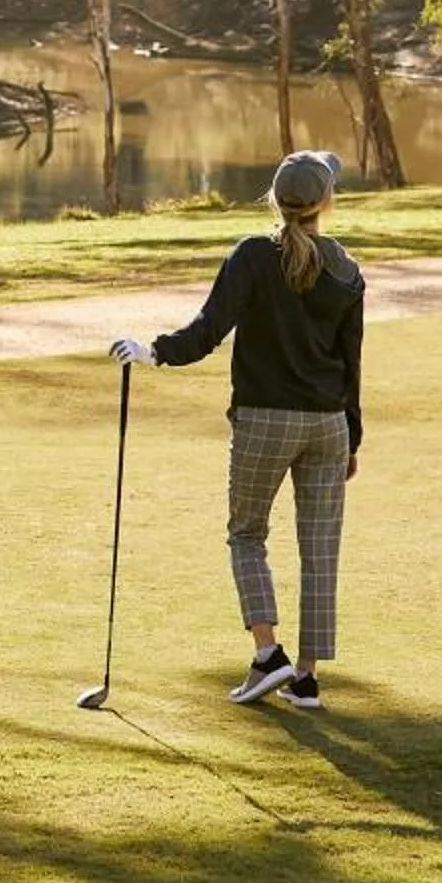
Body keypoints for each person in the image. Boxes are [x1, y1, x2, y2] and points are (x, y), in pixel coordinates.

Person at [110, 149, 364, 711]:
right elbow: (352, 363)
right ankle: (306, 680)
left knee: (247, 535)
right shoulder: (346, 268)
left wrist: (153, 352)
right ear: (325, 204)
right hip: (328, 427)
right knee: (320, 551)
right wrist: (353, 435)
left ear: (275, 201)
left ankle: (267, 654)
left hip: (264, 421)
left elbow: (208, 330)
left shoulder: (253, 256)